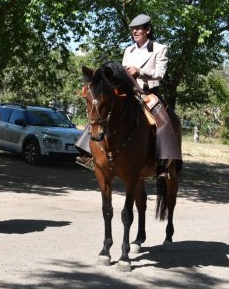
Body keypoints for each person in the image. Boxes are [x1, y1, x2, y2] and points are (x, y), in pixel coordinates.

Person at [76, 14, 181, 179]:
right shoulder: (128, 50)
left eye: (138, 29)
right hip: (129, 92)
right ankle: (88, 153)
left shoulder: (160, 49)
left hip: (148, 94)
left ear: (148, 30)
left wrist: (140, 71)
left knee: (163, 120)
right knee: (101, 109)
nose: (135, 31)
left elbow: (160, 74)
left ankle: (162, 163)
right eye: (133, 29)